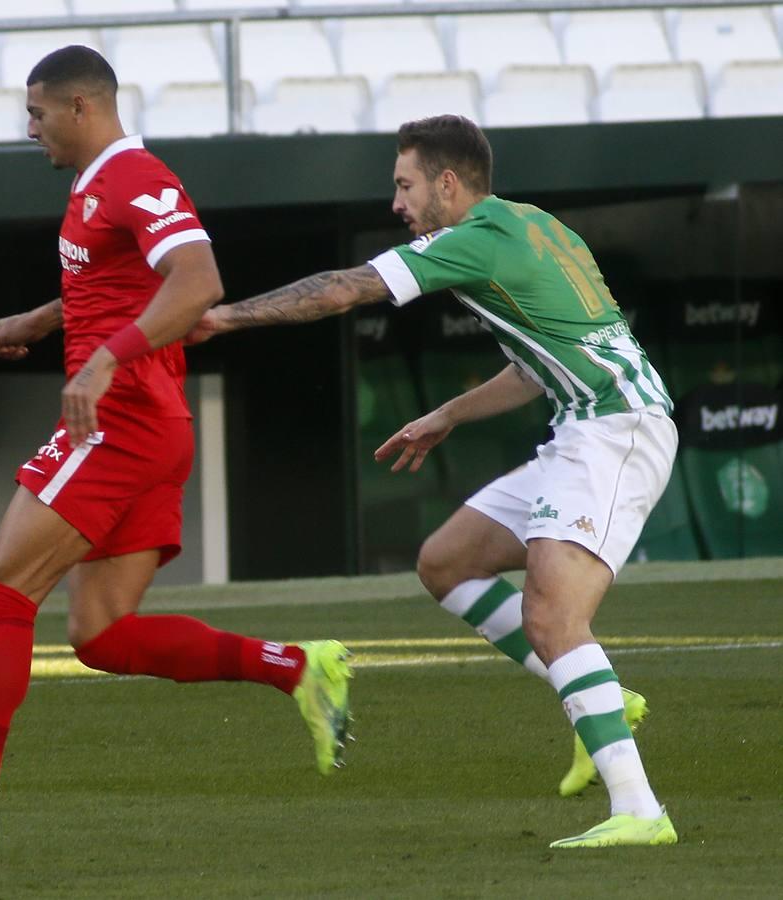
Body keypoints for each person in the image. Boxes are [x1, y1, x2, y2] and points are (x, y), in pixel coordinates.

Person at [0, 46, 352, 860]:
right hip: (149, 427)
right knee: (99, 633)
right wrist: (42, 320)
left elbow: (198, 281)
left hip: (120, 421)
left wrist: (101, 358)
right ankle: (296, 667)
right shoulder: (97, 187)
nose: (29, 129)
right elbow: (116, 283)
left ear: (80, 108)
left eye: (37, 113)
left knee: (2, 590)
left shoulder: (132, 174)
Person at [191, 115, 678, 849]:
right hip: (586, 425)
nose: (396, 202)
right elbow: (533, 366)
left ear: (446, 184)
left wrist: (223, 318)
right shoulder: (530, 225)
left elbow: (341, 291)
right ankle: (598, 701)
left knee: (553, 618)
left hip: (617, 427)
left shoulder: (473, 239)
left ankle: (639, 810)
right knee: (446, 563)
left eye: (403, 184)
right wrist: (446, 414)